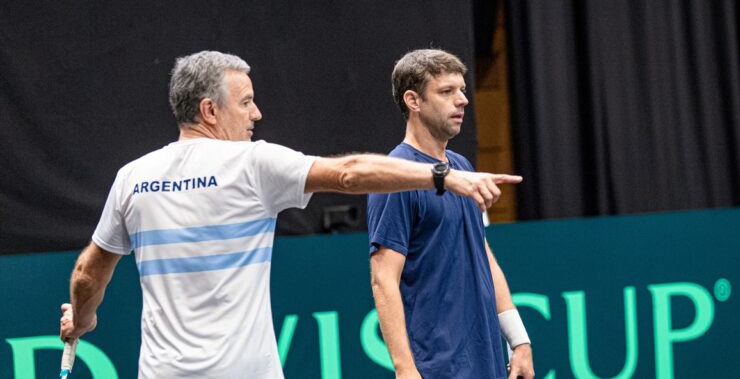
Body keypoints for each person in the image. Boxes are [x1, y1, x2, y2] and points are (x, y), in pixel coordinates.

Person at [58, 50, 521, 378]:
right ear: (209, 110)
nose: (256, 113)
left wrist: (82, 318)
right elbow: (350, 173)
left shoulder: (132, 178)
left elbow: (87, 274)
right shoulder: (251, 164)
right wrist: (440, 177)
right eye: (245, 102)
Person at [367, 49, 535, 379]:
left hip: (486, 357)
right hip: (438, 365)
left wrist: (519, 341)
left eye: (462, 90)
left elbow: (482, 253)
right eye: (446, 91)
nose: (462, 100)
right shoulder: (394, 177)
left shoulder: (462, 168)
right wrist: (405, 369)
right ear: (413, 101)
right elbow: (383, 278)